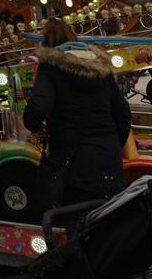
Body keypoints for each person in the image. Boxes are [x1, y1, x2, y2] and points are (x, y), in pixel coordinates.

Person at [23, 18, 131, 214]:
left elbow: (37, 109)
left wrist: (36, 128)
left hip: (72, 161)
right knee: (110, 224)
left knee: (77, 224)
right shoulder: (102, 68)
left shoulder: (51, 67)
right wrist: (114, 144)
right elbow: (123, 113)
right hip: (108, 160)